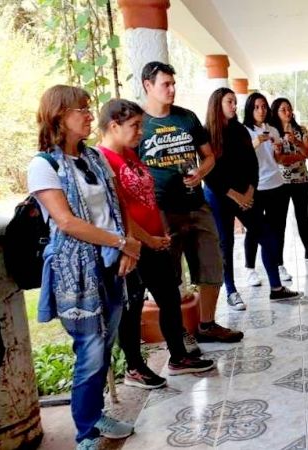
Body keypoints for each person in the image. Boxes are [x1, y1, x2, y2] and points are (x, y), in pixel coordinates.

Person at [28, 85, 139, 449]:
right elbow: (67, 222)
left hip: (111, 262)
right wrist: (122, 242)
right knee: (89, 350)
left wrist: (125, 247)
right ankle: (86, 432)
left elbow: (115, 205)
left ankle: (94, 414)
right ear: (60, 115)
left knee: (104, 346)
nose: (91, 115)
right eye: (83, 109)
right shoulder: (43, 165)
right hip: (77, 272)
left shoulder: (94, 158)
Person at [97, 99, 215, 390]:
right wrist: (146, 239)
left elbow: (148, 199)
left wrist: (158, 233)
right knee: (132, 307)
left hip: (154, 239)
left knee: (169, 298)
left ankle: (178, 357)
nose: (141, 131)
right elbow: (118, 210)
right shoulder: (103, 160)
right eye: (135, 126)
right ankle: (135, 367)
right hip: (133, 246)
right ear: (114, 126)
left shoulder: (131, 155)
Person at [137, 62, 242, 346]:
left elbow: (208, 156)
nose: (172, 89)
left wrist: (201, 173)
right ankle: (176, 333)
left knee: (212, 264)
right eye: (165, 85)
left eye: (173, 83)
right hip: (162, 209)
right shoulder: (138, 123)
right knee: (168, 275)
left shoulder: (187, 118)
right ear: (148, 86)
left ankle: (207, 325)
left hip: (196, 204)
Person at [202, 87, 302, 307]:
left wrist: (249, 191)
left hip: (245, 193)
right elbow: (209, 173)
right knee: (225, 243)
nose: (234, 106)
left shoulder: (238, 129)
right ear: (217, 104)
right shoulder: (206, 132)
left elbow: (251, 163)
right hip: (219, 196)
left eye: (234, 102)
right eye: (229, 102)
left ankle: (276, 288)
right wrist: (234, 194)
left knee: (266, 235)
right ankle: (231, 291)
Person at [267, 97, 308, 271]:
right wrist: (300, 155)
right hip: (280, 183)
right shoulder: (272, 133)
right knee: (280, 222)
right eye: (283, 110)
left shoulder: (302, 131)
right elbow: (281, 160)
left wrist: (296, 143)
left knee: (303, 217)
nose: (287, 112)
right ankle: (278, 261)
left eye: (289, 109)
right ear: (276, 113)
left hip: (301, 180)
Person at [240, 93, 289, 287]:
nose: (261, 111)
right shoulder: (244, 131)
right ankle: (250, 269)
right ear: (250, 110)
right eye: (257, 107)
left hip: (276, 184)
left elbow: (277, 159)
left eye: (264, 107)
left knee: (278, 228)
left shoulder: (273, 130)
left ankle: (279, 264)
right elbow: (241, 157)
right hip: (256, 188)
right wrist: (256, 142)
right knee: (254, 230)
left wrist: (278, 150)